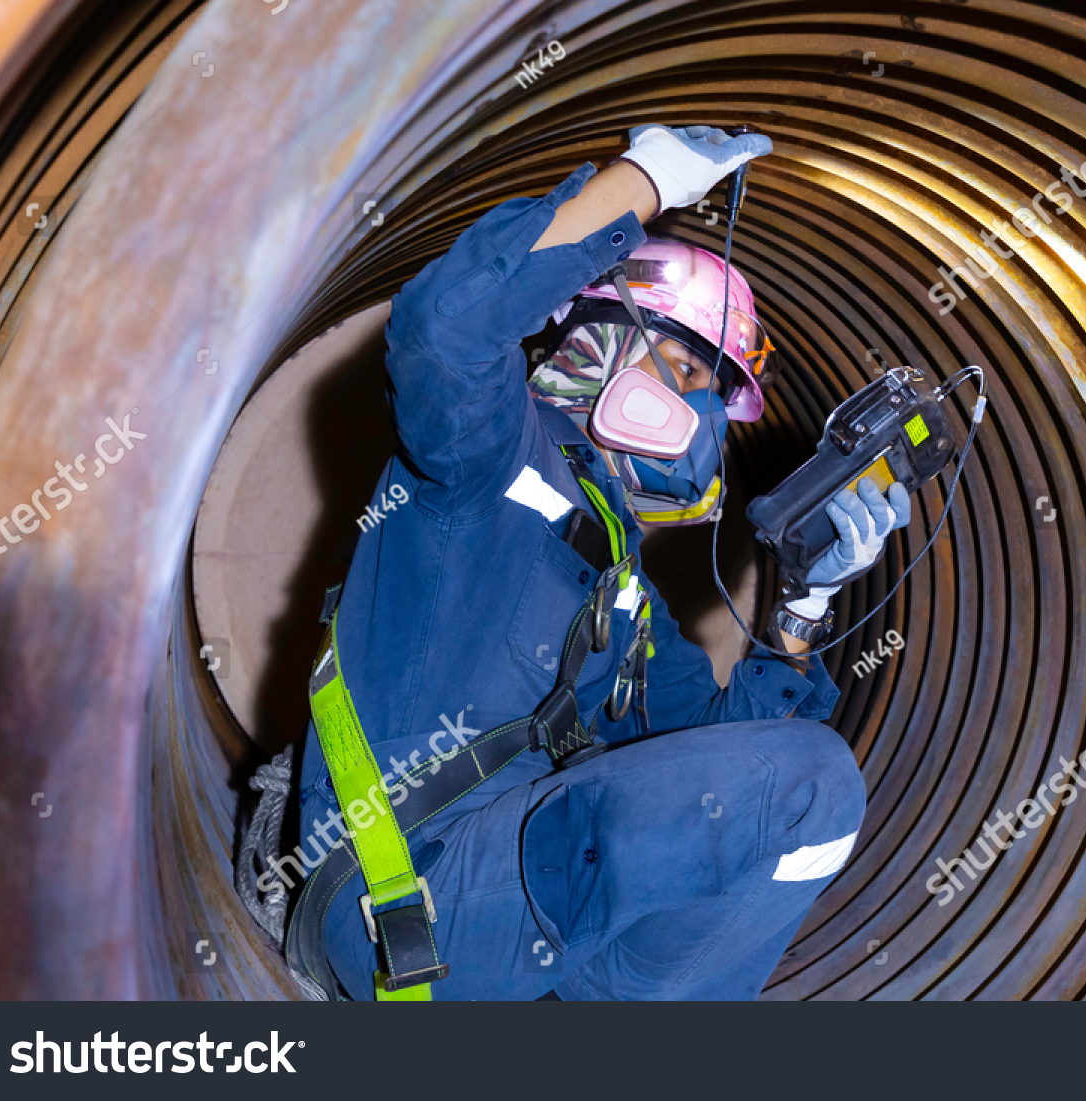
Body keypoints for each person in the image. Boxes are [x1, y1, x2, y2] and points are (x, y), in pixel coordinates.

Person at [285, 124, 912, 1001]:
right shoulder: (490, 456)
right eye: (687, 366)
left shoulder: (626, 591)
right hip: (404, 895)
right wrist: (638, 184)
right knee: (813, 788)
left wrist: (803, 604)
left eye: (715, 398)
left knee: (793, 786)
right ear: (607, 340)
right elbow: (443, 329)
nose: (702, 418)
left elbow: (731, 754)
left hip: (514, 919)